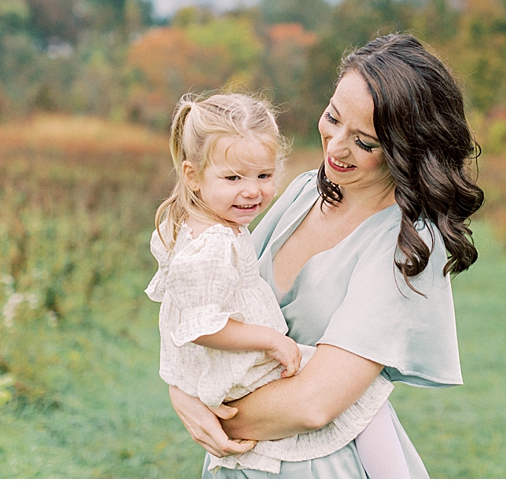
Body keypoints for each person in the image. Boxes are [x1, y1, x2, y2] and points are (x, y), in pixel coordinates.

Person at [166, 33, 485, 479]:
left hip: (321, 465)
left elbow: (314, 403)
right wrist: (181, 393)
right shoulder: (304, 192)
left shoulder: (409, 244)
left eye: (366, 142)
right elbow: (210, 302)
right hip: (241, 462)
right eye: (333, 118)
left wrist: (206, 407)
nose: (335, 147)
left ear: (406, 147)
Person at [144, 92, 409, 476]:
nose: (252, 191)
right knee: (366, 395)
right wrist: (271, 340)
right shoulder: (214, 243)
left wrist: (181, 384)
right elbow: (201, 324)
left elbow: (179, 311)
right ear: (192, 176)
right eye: (234, 178)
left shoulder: (201, 225)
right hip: (241, 370)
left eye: (264, 176)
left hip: (229, 371)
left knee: (358, 396)